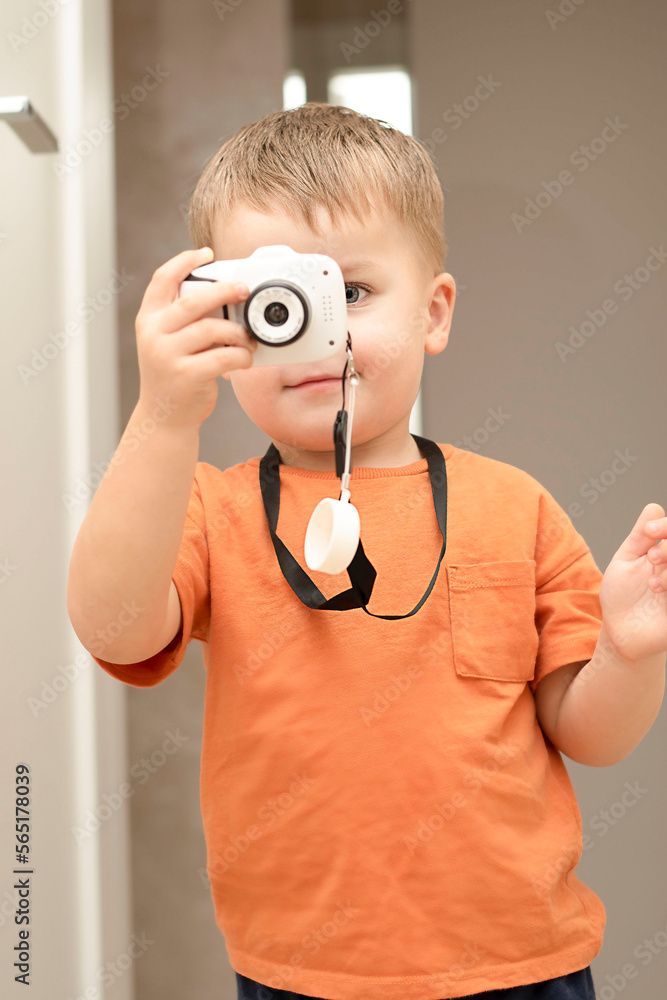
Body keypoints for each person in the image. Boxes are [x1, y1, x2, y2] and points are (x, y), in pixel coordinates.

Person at [67, 103, 667, 1000]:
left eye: (348, 293)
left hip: (523, 965)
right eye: (273, 305)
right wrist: (163, 415)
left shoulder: (515, 506)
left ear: (433, 312)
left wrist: (626, 652)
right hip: (299, 975)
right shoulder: (207, 509)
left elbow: (587, 734)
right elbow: (114, 628)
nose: (316, 332)